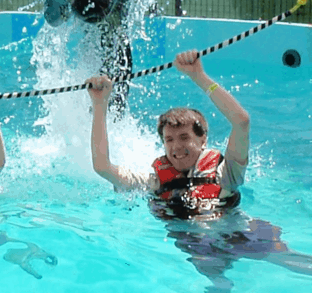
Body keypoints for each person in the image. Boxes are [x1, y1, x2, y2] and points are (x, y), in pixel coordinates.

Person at [87, 49, 250, 219]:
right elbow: (102, 167)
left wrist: (199, 76)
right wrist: (100, 104)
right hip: (188, 243)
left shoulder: (226, 174)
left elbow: (242, 122)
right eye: (169, 139)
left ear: (203, 139)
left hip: (234, 237)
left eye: (184, 137)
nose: (176, 147)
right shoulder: (155, 182)